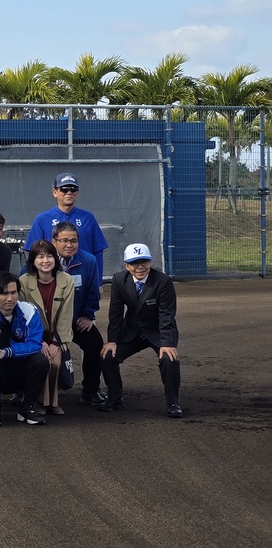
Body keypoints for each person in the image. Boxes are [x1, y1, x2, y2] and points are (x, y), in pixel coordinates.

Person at [100, 243, 183, 418]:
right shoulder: (118, 280)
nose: (140, 267)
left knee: (169, 358)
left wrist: (167, 343)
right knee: (108, 356)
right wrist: (112, 340)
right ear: (126, 265)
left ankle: (173, 403)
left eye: (144, 262)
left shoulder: (163, 281)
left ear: (150, 262)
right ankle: (115, 399)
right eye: (134, 263)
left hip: (157, 331)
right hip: (130, 331)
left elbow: (167, 315)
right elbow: (115, 313)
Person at [51, 220, 107, 405]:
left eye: (73, 241)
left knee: (95, 344)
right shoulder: (43, 260)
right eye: (64, 240)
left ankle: (90, 390)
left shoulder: (88, 260)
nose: (69, 245)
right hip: (48, 323)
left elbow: (93, 291)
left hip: (76, 320)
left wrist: (88, 315)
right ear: (54, 242)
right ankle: (27, 391)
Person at [18, 239, 75, 416]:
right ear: (33, 260)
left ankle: (52, 402)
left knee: (56, 362)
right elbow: (23, 316)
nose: (45, 260)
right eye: (40, 256)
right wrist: (38, 341)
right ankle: (38, 401)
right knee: (43, 362)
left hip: (56, 336)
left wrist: (56, 343)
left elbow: (66, 315)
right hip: (34, 336)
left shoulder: (66, 280)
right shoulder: (24, 281)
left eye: (49, 255)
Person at [0, 272, 50, 426]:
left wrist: (7, 352)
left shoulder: (29, 310)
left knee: (41, 361)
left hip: (18, 366)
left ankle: (27, 406)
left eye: (13, 292)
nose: (9, 298)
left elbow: (35, 343)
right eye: (3, 293)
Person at [26, 172, 109, 280]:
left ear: (77, 193)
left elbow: (98, 251)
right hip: (52, 275)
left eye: (73, 189)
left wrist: (98, 281)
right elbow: (32, 251)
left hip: (84, 274)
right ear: (55, 192)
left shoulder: (88, 217)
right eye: (64, 189)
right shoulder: (42, 219)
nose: (69, 192)